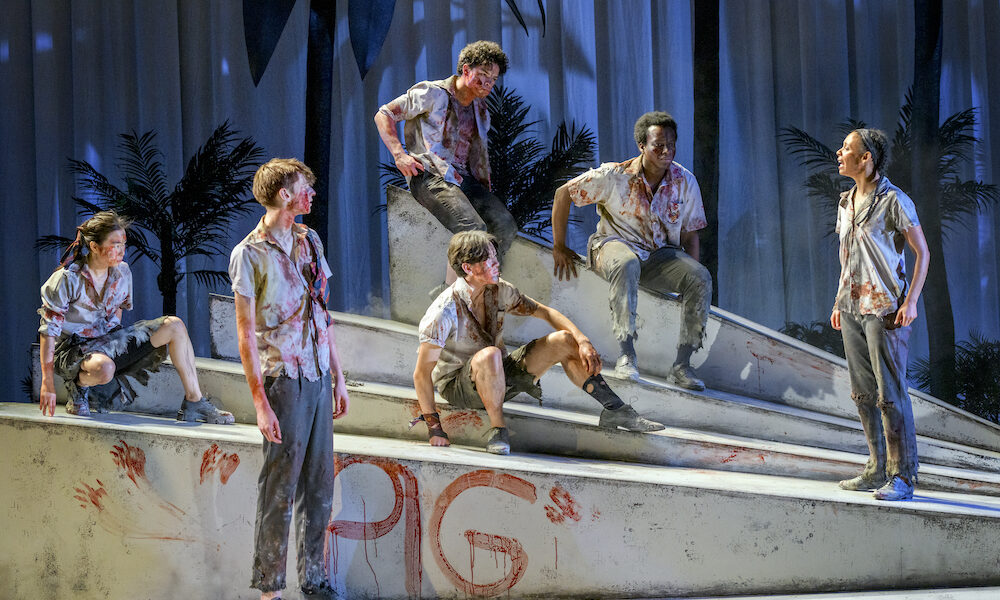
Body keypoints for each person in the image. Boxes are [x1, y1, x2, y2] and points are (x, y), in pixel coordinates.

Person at [413, 231, 664, 455]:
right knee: (489, 354)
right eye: (489, 260)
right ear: (468, 268)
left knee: (564, 339)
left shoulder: (499, 290)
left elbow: (545, 312)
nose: (497, 263)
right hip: (460, 388)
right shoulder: (444, 311)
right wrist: (434, 428)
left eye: (495, 256)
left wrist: (582, 340)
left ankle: (615, 409)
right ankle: (498, 430)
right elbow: (421, 375)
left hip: (498, 374)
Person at [230, 158, 350, 599]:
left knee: (319, 485)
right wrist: (260, 404)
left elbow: (323, 313)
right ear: (284, 194)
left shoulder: (309, 240)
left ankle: (314, 581)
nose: (312, 194)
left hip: (316, 374)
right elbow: (245, 335)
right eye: (305, 187)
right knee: (279, 486)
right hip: (283, 378)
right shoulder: (249, 253)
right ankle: (270, 588)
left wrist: (338, 376)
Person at [551, 111, 712, 390]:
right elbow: (563, 194)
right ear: (642, 146)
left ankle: (682, 365)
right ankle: (627, 354)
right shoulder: (615, 175)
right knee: (627, 262)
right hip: (613, 245)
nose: (666, 151)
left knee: (701, 276)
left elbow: (690, 234)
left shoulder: (684, 181)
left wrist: (688, 280)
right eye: (658, 145)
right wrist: (559, 246)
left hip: (659, 255)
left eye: (671, 145)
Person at [37, 210, 234, 424]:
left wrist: (119, 345)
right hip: (72, 351)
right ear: (94, 246)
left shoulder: (122, 272)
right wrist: (47, 382)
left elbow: (118, 310)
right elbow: (49, 331)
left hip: (106, 342)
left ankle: (194, 402)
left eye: (124, 243)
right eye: (115, 244)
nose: (122, 250)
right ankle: (79, 387)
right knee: (105, 368)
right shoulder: (68, 279)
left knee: (174, 325)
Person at [831, 129, 929, 502]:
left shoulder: (894, 201)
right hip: (852, 305)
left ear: (866, 157)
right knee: (863, 393)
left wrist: (911, 301)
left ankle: (902, 475)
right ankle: (875, 468)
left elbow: (922, 252)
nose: (839, 153)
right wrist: (838, 300)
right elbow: (847, 254)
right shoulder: (845, 201)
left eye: (847, 148)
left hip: (885, 307)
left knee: (891, 394)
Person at [374, 40, 518, 283]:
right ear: (466, 70)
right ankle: (453, 293)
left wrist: (484, 191)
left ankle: (484, 285)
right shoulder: (433, 93)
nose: (488, 83)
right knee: (472, 230)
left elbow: (477, 157)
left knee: (505, 226)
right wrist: (399, 155)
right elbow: (384, 113)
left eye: (493, 79)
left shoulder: (481, 110)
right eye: (483, 75)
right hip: (431, 175)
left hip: (463, 180)